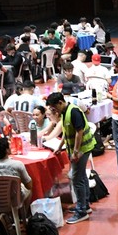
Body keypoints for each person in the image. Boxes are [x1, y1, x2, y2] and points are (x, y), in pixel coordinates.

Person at [46, 92, 96, 224]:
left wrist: (75, 152)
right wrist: (60, 146)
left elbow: (79, 132)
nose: (54, 111)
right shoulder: (64, 113)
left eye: (54, 108)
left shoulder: (74, 112)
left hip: (82, 150)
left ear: (60, 103)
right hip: (78, 150)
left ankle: (81, 211)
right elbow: (66, 132)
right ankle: (85, 205)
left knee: (77, 179)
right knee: (81, 177)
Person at [0, 137, 34, 204]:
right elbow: (29, 186)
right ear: (7, 150)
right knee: (29, 190)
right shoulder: (18, 164)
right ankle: (24, 210)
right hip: (14, 200)